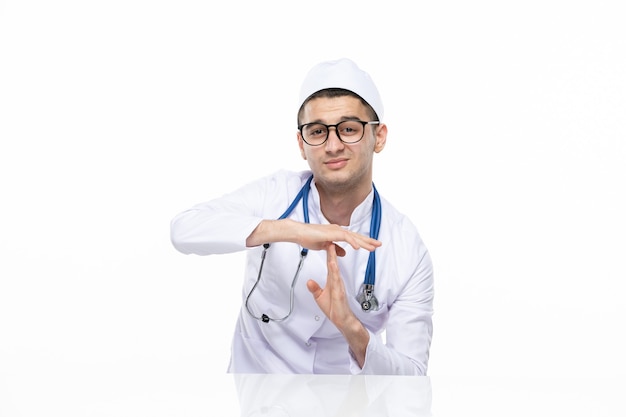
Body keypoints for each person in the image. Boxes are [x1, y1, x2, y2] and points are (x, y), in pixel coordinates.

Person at [170, 58, 434, 375]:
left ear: (379, 137)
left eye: (349, 129)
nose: (333, 145)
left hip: (345, 405)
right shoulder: (275, 196)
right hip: (257, 399)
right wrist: (290, 231)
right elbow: (183, 230)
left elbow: (413, 377)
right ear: (301, 143)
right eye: (318, 131)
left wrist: (353, 330)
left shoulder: (406, 248)